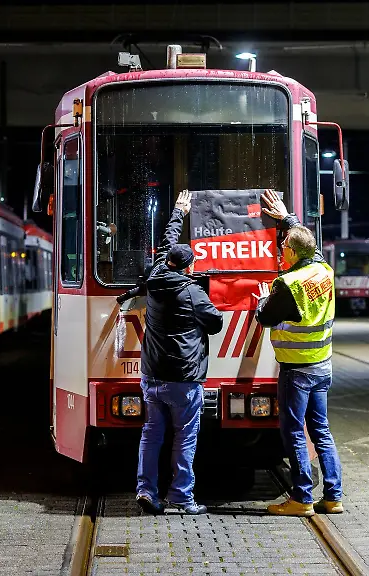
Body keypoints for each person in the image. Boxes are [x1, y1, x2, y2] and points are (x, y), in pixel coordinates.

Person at [254, 188, 343, 517]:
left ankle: (302, 498)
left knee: (293, 431)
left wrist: (262, 298)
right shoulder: (323, 269)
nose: (281, 248)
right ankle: (333, 496)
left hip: (297, 370)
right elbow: (310, 246)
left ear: (293, 252)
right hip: (323, 366)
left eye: (284, 246)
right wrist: (286, 218)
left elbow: (264, 318)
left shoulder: (287, 284)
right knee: (320, 429)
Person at [135, 190, 224, 516]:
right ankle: (182, 498)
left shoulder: (156, 277)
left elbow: (166, 242)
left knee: (151, 434)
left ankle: (146, 490)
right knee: (185, 438)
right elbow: (214, 323)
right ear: (189, 268)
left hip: (152, 375)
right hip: (183, 379)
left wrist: (178, 212)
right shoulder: (191, 293)